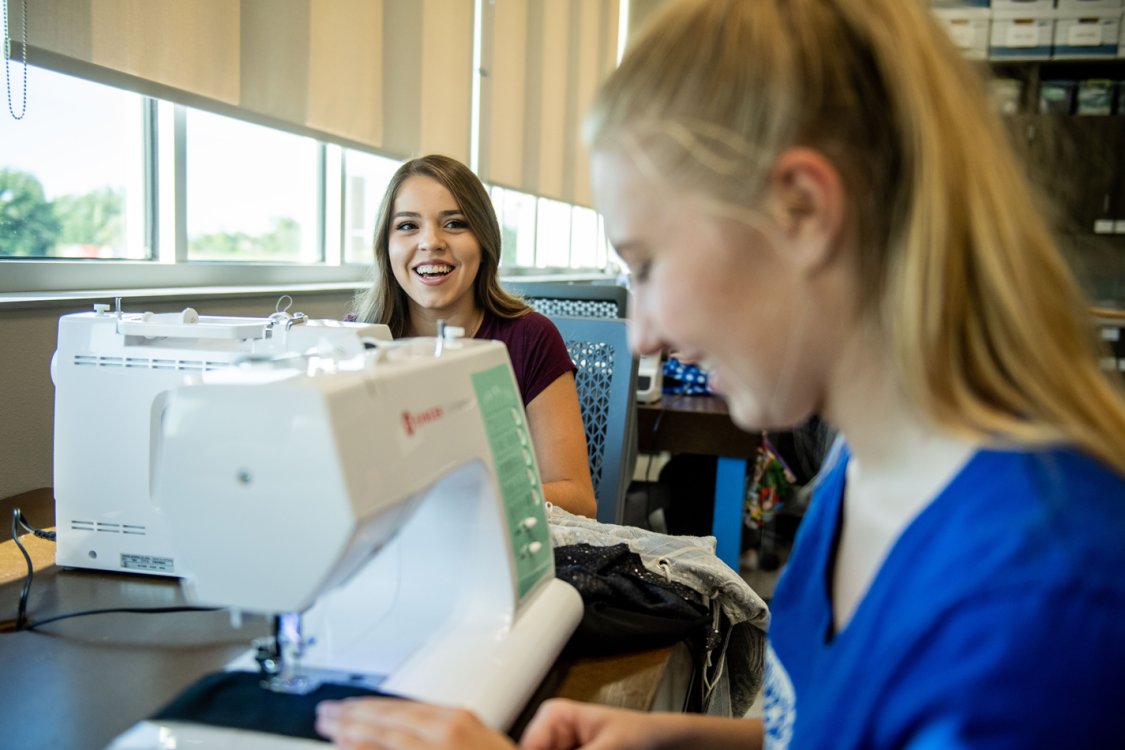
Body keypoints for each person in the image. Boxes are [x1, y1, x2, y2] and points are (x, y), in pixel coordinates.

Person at [317, 1, 1125, 747]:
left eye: (648, 264)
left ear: (801, 212)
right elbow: (825, 727)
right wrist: (675, 737)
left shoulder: (1034, 611)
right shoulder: (863, 477)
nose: (644, 335)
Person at [350, 154, 596, 519]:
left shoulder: (533, 338)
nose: (431, 242)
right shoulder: (354, 339)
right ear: (386, 246)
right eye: (407, 226)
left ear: (483, 240)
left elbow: (579, 500)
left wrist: (460, 499)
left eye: (454, 223)